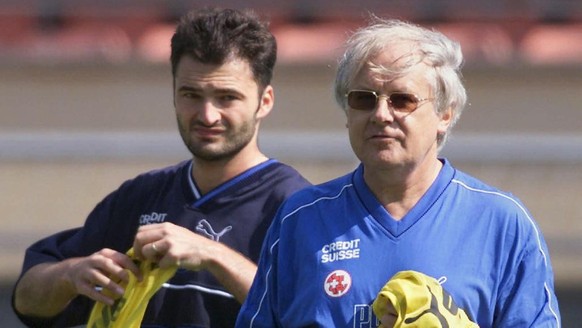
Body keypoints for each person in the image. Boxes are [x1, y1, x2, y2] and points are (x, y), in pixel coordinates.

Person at [236, 18, 561, 327]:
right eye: (363, 99)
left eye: (402, 100)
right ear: (347, 113)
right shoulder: (300, 219)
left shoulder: (502, 223)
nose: (380, 114)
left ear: (445, 115)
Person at [12, 7, 310, 327]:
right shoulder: (141, 196)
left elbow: (313, 314)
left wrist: (214, 256)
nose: (207, 115)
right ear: (173, 94)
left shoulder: (298, 207)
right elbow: (27, 300)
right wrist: (70, 275)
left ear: (265, 101)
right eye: (191, 94)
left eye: (226, 97)